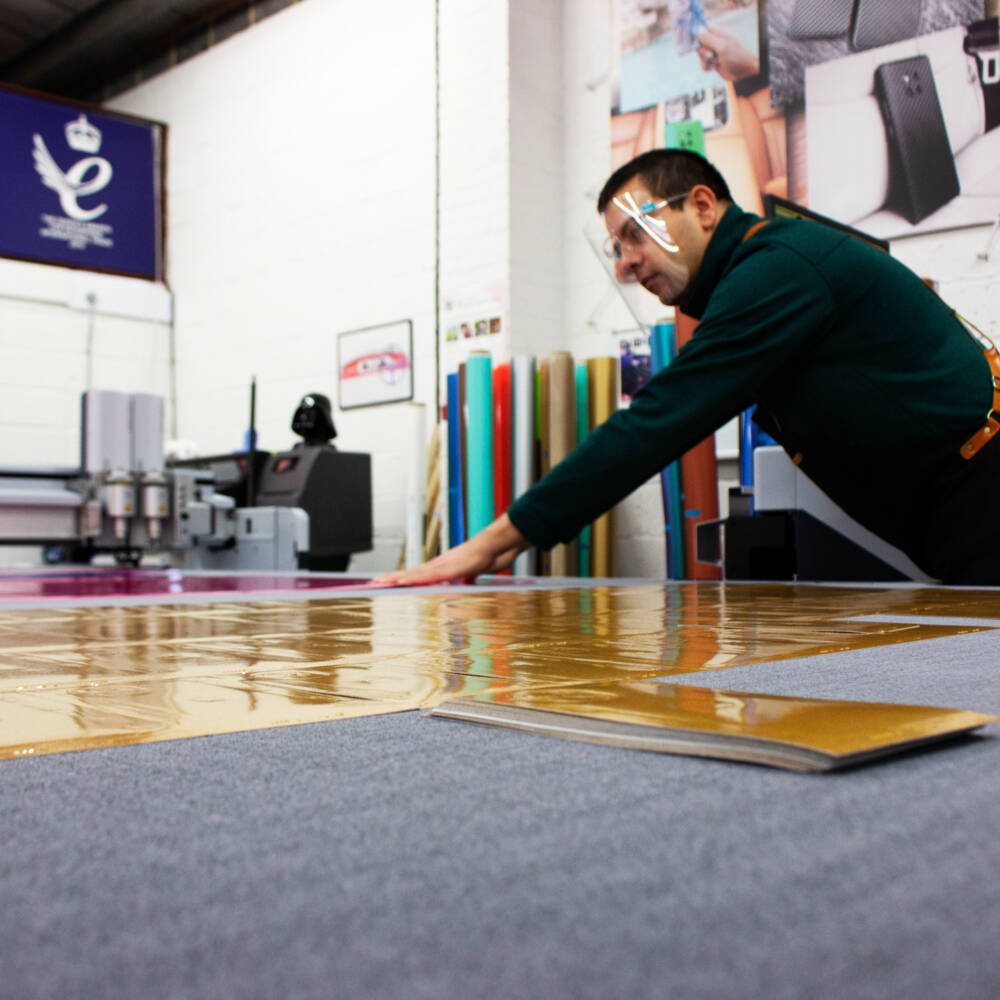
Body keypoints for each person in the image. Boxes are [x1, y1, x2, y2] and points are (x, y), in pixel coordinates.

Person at [376, 148, 1000, 586]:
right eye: (615, 248)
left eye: (635, 234)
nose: (624, 263)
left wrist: (486, 547)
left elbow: (659, 420)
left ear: (702, 206)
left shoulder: (778, 269)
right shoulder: (759, 274)